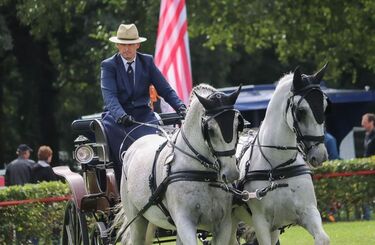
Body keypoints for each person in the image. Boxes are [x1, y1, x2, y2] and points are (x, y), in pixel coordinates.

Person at [100, 23, 186, 186]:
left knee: (155, 146)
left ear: (137, 44)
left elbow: (166, 90)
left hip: (143, 115)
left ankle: (155, 186)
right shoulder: (109, 66)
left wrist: (181, 108)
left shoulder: (147, 62)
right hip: (117, 119)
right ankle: (124, 186)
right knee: (123, 153)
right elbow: (110, 97)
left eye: (130, 44)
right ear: (117, 45)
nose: (126, 49)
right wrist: (121, 116)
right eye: (123, 45)